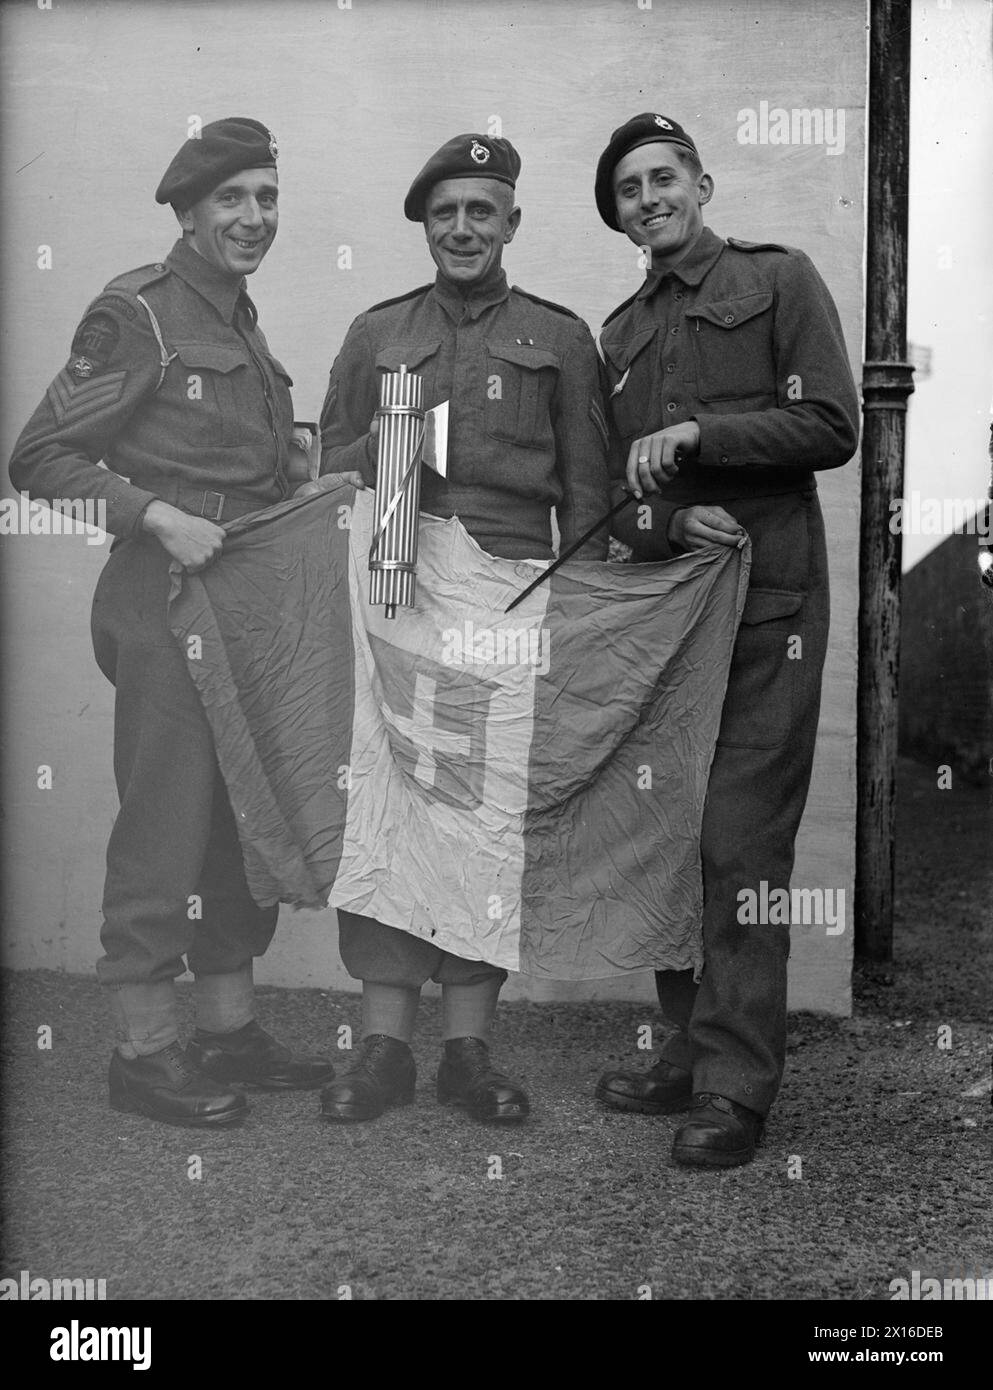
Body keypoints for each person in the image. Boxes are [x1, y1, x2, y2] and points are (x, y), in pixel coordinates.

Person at [8, 117, 334, 1127]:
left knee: (241, 819)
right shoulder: (137, 312)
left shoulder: (241, 319)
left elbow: (234, 463)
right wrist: (152, 512)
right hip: (163, 604)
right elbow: (39, 457)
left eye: (266, 198)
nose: (252, 217)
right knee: (168, 819)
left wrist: (299, 476)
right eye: (231, 199)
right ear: (188, 212)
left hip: (245, 612)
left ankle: (227, 1029)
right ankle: (144, 1054)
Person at [317, 132, 611, 1125]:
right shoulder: (376, 333)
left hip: (506, 604)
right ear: (425, 226)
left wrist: (577, 627)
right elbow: (331, 469)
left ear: (513, 222)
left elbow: (589, 497)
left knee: (482, 820)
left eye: (482, 210)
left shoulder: (562, 338)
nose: (462, 228)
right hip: (395, 593)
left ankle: (468, 1049)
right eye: (445, 212)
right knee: (391, 806)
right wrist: (408, 439)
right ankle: (382, 1045)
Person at [592, 113, 860, 1167]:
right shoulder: (615, 337)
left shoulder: (779, 280)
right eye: (629, 188)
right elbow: (614, 498)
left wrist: (708, 435)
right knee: (669, 841)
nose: (650, 197)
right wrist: (665, 518)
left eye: (664, 177)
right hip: (670, 612)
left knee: (743, 846)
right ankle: (684, 1052)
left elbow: (832, 424)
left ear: (701, 183)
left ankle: (736, 1088)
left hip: (770, 611)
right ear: (618, 214)